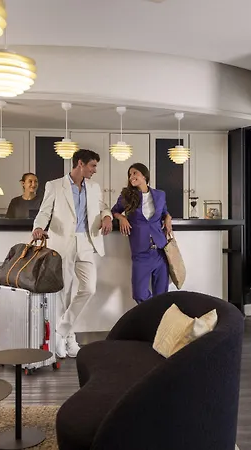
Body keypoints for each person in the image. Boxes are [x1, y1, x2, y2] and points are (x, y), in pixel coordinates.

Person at [32, 149, 113, 358]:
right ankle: (69, 341)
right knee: (64, 293)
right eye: (92, 165)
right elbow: (44, 211)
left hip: (86, 241)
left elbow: (103, 207)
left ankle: (60, 332)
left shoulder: (94, 187)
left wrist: (107, 217)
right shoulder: (55, 185)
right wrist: (38, 227)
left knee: (89, 288)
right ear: (80, 164)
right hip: (62, 243)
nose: (95, 170)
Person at [111, 163, 172, 304]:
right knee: (139, 294)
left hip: (160, 251)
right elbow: (114, 211)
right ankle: (151, 311)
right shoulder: (127, 196)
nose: (131, 177)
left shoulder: (160, 195)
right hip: (141, 252)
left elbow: (164, 212)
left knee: (162, 295)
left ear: (144, 176)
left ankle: (158, 317)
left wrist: (168, 217)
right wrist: (122, 218)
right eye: (130, 174)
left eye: (135, 173)